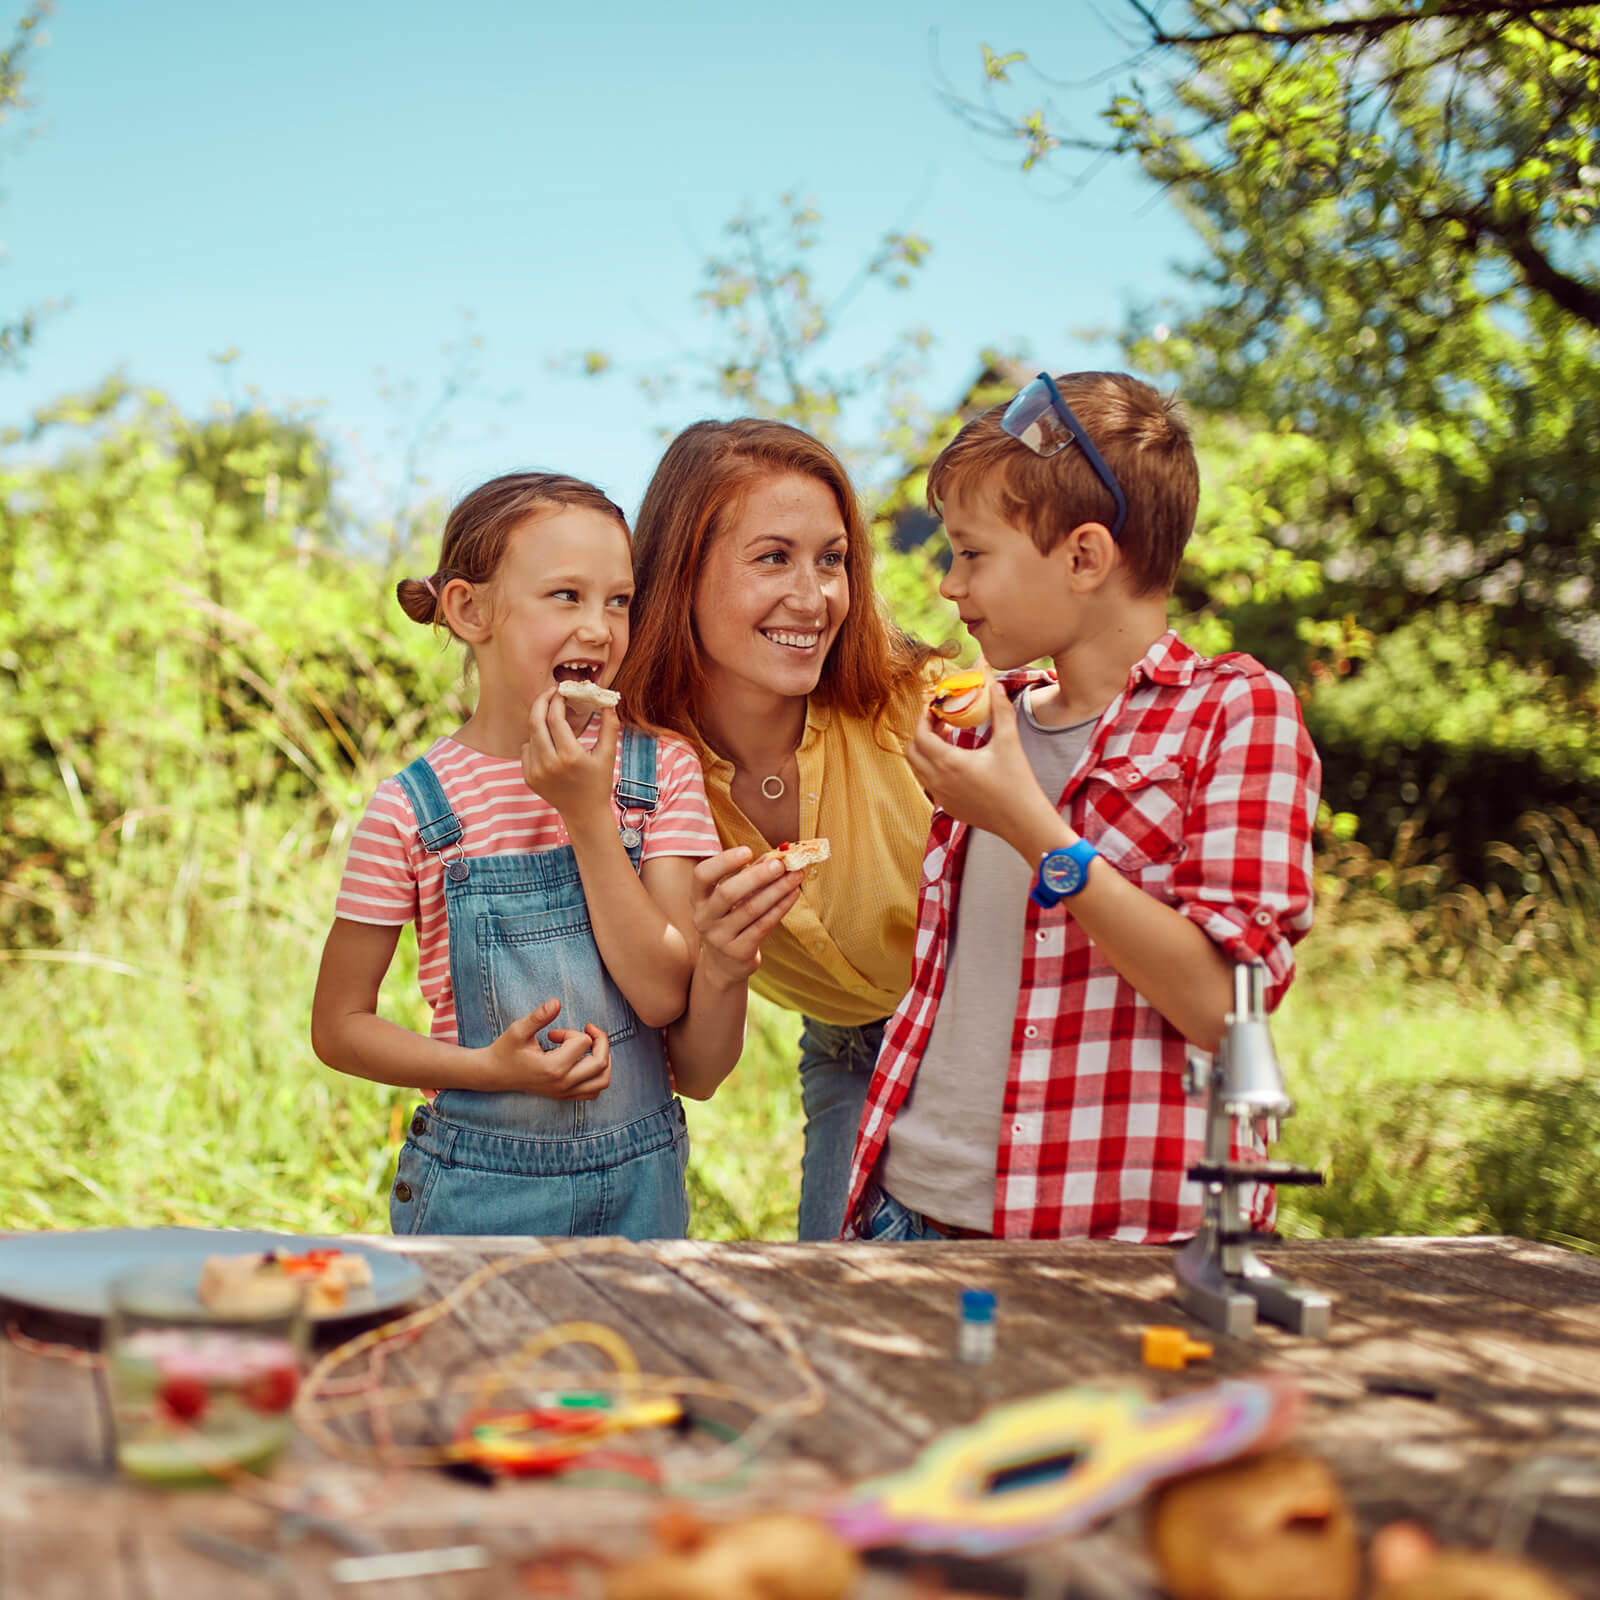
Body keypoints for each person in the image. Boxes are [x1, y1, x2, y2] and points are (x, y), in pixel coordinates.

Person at [841, 371, 1321, 1244]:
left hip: (1121, 1239)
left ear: (1084, 558)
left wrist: (1030, 826)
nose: (950, 586)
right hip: (911, 1211)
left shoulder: (1235, 713)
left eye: (973, 553)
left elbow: (1223, 1005)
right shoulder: (985, 717)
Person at [310, 472, 722, 1238]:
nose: (599, 629)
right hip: (477, 1196)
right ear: (471, 611)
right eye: (566, 596)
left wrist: (586, 815)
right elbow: (338, 1025)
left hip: (644, 1190)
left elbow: (665, 994)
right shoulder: (411, 809)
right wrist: (484, 1071)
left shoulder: (661, 771)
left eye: (618, 600)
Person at [610, 420, 943, 1241]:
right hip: (852, 1053)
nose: (815, 595)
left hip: (996, 1033)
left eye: (831, 559)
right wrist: (721, 962)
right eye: (773, 558)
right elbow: (695, 1065)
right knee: (837, 1311)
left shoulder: (922, 708)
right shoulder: (639, 776)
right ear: (681, 574)